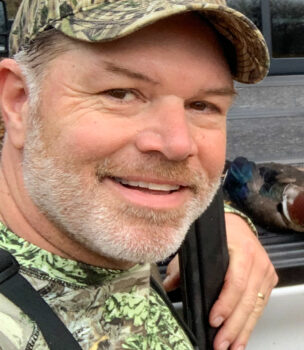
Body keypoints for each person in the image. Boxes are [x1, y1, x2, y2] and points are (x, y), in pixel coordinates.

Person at [0, 0, 278, 349]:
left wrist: (223, 221)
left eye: (202, 105)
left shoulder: (84, 224)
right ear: (19, 101)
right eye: (121, 94)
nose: (178, 144)